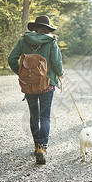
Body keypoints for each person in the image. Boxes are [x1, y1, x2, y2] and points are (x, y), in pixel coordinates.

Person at [8, 15, 64, 164]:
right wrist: (60, 75)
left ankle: (36, 145)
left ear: (35, 28)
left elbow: (11, 59)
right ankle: (42, 147)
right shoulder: (51, 42)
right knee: (45, 116)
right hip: (47, 84)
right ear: (47, 29)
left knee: (34, 115)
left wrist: (21, 73)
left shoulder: (23, 40)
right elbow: (57, 63)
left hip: (29, 84)